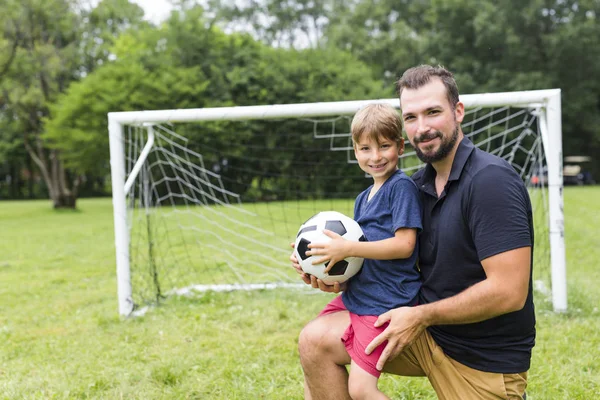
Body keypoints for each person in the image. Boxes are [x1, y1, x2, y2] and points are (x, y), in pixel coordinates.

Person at [292, 65, 535, 400]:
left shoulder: (491, 182)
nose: (423, 127)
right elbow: (391, 262)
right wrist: (336, 274)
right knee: (315, 341)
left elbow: (509, 292)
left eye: (433, 112)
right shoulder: (412, 186)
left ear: (458, 111)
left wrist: (420, 316)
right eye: (411, 117)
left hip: (480, 359)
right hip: (425, 332)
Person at [294, 102, 422, 400]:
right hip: (360, 293)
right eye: (366, 149)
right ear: (355, 151)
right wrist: (313, 259)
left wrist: (349, 247)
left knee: (362, 389)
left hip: (385, 301)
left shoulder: (400, 188)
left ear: (401, 147)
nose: (375, 157)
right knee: (311, 351)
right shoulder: (363, 198)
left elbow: (405, 246)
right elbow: (356, 260)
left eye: (384, 146)